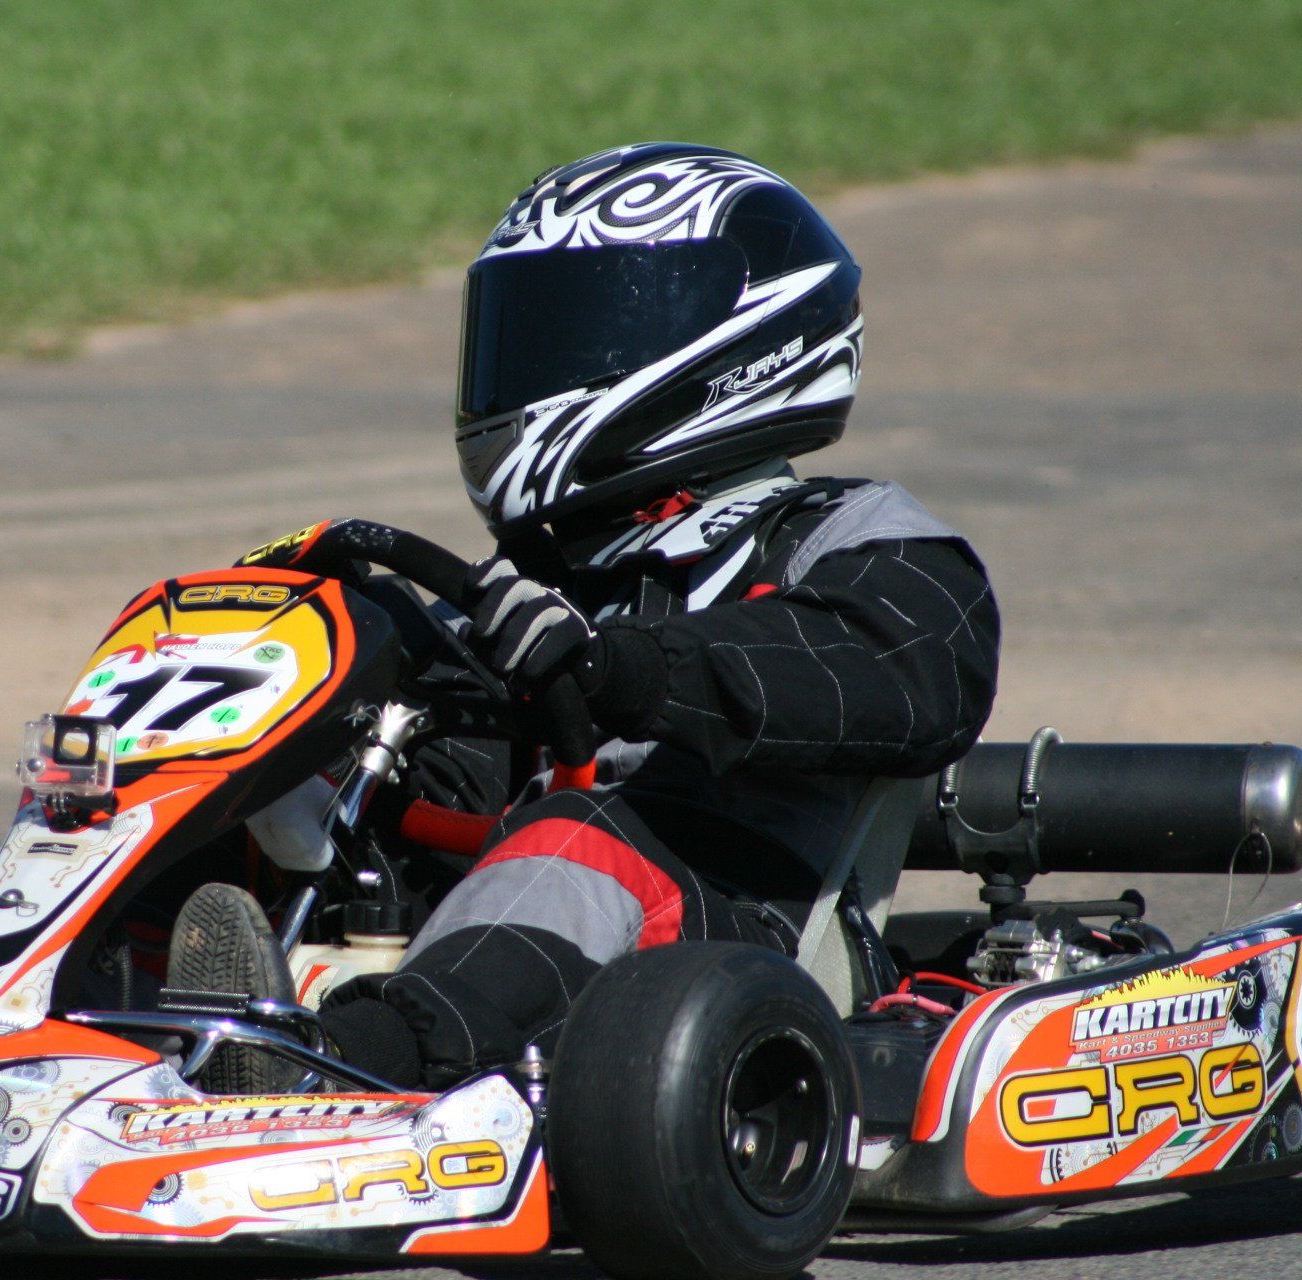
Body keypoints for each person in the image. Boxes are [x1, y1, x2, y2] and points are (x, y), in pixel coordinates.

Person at [171, 142, 1001, 1090]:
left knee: (577, 841)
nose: (534, 368)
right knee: (247, 801)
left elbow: (904, 674)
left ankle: (335, 1072)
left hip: (741, 951)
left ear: (740, 344)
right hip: (519, 927)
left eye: (579, 335)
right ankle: (65, 1008)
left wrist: (621, 668)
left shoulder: (862, 540)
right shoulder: (549, 579)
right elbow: (459, 781)